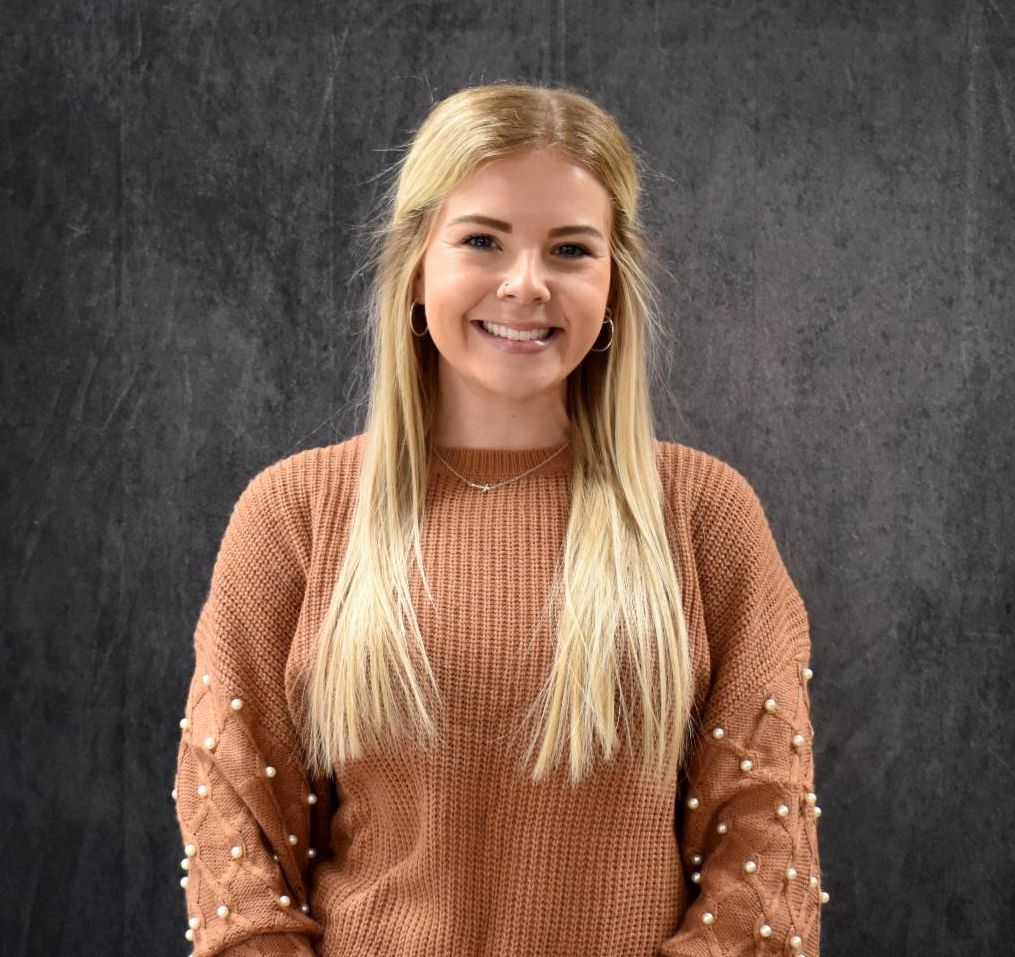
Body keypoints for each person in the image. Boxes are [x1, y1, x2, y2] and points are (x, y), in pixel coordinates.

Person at [172, 81, 826, 957]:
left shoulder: (703, 515)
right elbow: (236, 852)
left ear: (613, 283)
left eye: (570, 249)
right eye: (482, 240)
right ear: (416, 266)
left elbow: (762, 850)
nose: (525, 284)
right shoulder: (296, 513)